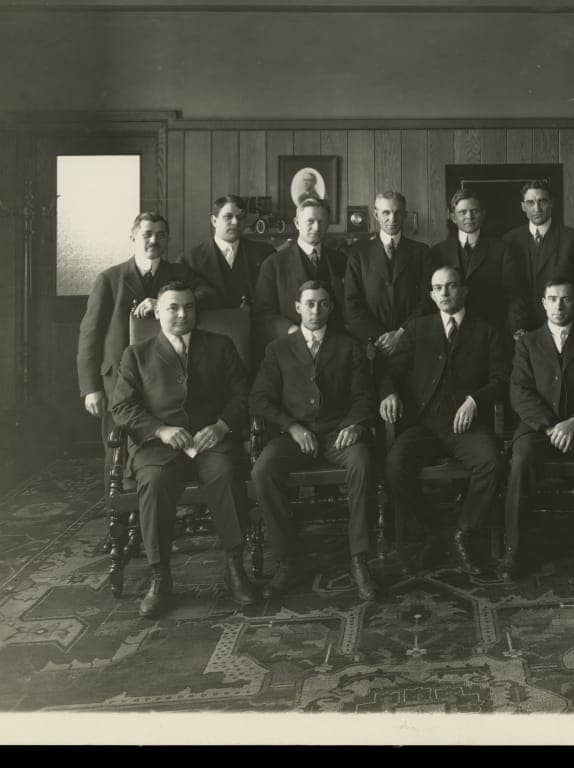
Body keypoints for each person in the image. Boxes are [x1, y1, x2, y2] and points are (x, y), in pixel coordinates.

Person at [110, 281, 258, 618]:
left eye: (188, 307)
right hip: (159, 447)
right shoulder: (137, 354)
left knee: (225, 473)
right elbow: (122, 408)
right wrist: (160, 430)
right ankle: (160, 576)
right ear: (158, 312)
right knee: (156, 482)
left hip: (211, 440)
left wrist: (221, 426)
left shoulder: (220, 346)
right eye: (173, 308)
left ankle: (235, 565)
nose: (181, 314)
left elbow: (242, 395)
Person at [249, 280, 379, 601]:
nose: (316, 311)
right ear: (297, 307)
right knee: (262, 470)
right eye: (309, 304)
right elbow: (259, 399)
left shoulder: (347, 346)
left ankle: (359, 559)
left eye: (322, 304)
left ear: (330, 307)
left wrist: (354, 425)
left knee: (362, 462)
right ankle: (287, 559)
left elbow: (365, 395)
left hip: (337, 432)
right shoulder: (277, 349)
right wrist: (291, 426)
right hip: (296, 434)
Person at [379, 266, 508, 575]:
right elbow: (388, 373)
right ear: (431, 295)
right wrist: (389, 394)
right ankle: (432, 528)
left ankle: (464, 532)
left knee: (491, 462)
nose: (445, 293)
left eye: (451, 286)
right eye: (439, 288)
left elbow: (502, 379)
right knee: (395, 465)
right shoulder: (417, 329)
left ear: (464, 291)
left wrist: (475, 400)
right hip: (424, 424)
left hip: (467, 425)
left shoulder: (486, 330)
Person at [503, 278, 574, 586]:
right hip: (540, 428)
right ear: (543, 303)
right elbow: (520, 392)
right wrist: (551, 426)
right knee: (521, 458)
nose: (559, 305)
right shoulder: (527, 343)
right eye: (553, 299)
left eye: (566, 299)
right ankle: (514, 548)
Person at [77, 212, 199, 479]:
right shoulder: (110, 279)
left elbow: (209, 296)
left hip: (163, 379)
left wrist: (164, 303)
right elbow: (90, 335)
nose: (154, 240)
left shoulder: (179, 273)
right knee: (117, 449)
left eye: (160, 235)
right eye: (147, 234)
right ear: (133, 236)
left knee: (160, 451)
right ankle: (117, 512)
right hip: (119, 380)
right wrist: (91, 387)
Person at [252, 197, 348, 349]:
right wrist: (293, 331)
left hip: (334, 346)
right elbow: (263, 315)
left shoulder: (341, 260)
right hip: (292, 346)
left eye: (321, 221)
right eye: (310, 221)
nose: (316, 227)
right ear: (297, 223)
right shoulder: (273, 264)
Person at [502, 180, 574, 340]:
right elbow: (508, 292)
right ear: (523, 206)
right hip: (520, 333)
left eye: (542, 201)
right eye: (530, 202)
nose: (537, 208)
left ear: (552, 203)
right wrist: (517, 327)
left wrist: (561, 323)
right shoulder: (508, 241)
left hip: (564, 331)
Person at [344, 190, 430, 358]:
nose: (392, 218)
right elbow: (352, 303)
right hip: (372, 347)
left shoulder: (421, 252)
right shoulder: (358, 253)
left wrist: (402, 334)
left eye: (398, 212)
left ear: (405, 215)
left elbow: (427, 300)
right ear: (376, 215)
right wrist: (381, 338)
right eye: (386, 212)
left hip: (412, 344)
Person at [428, 187, 509, 328]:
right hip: (450, 327)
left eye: (474, 211)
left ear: (483, 214)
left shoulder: (501, 249)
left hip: (491, 328)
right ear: (453, 217)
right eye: (462, 212)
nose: (469, 217)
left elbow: (513, 295)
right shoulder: (438, 251)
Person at [179, 195, 274, 311]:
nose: (235, 222)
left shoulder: (264, 253)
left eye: (240, 217)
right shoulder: (190, 260)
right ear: (214, 221)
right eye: (228, 217)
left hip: (255, 326)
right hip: (211, 326)